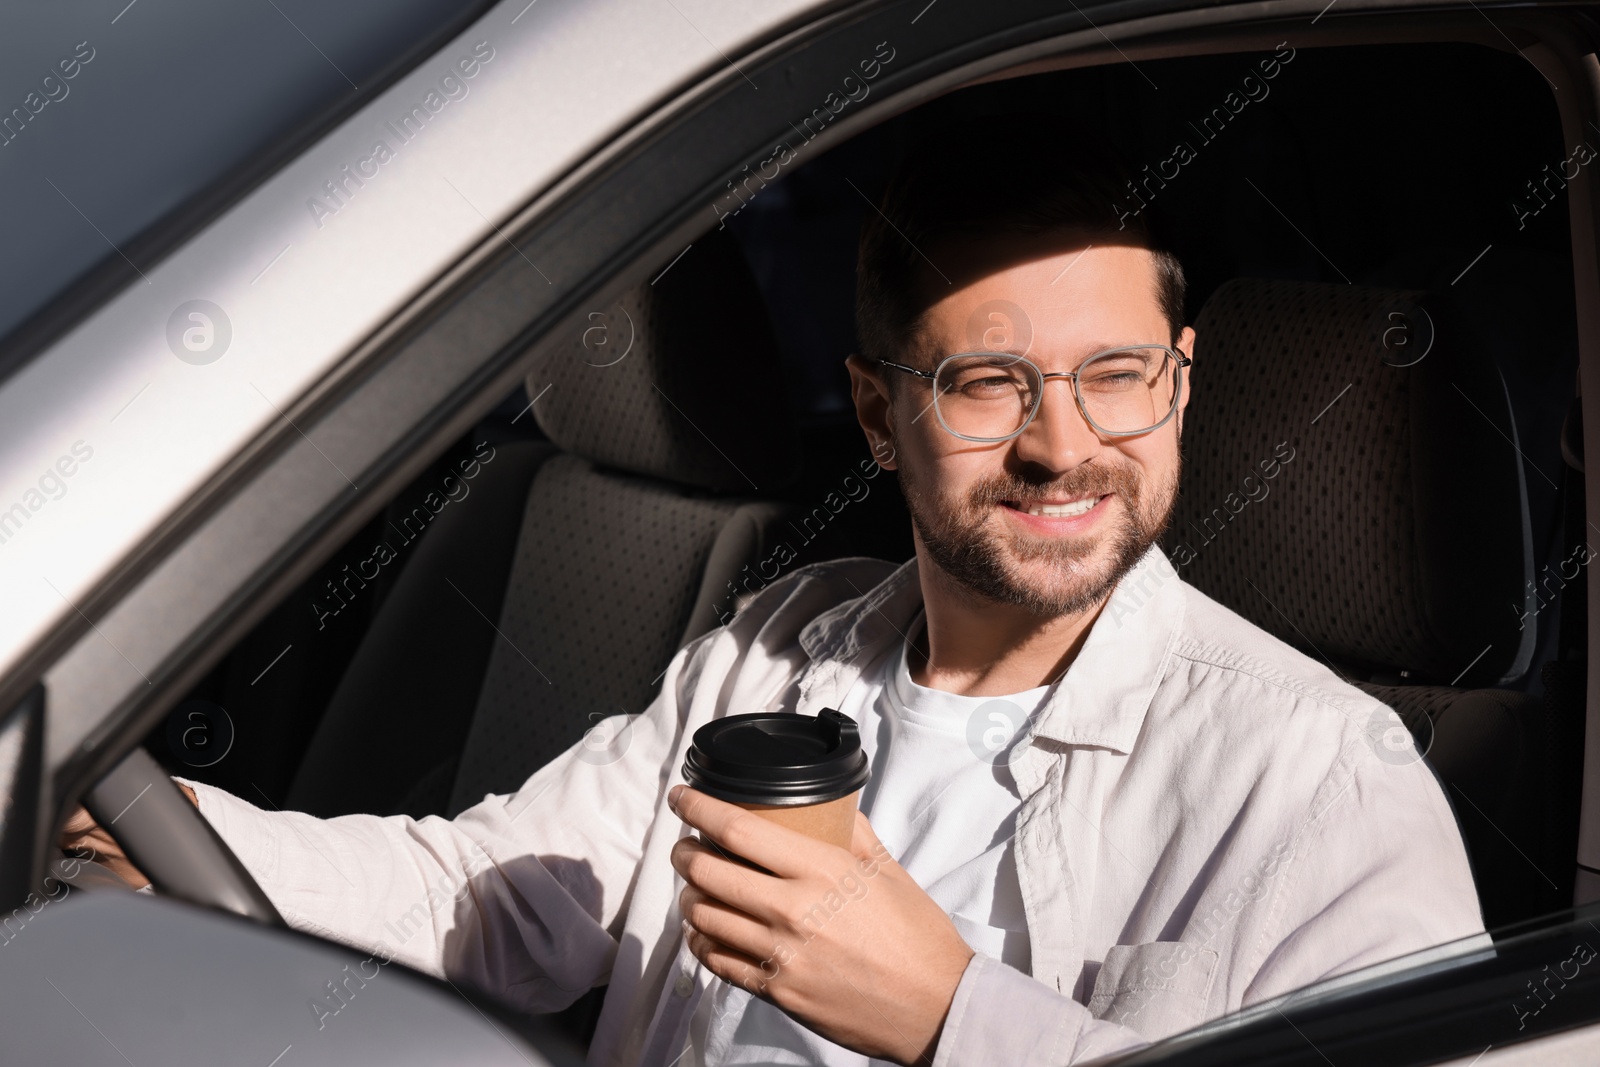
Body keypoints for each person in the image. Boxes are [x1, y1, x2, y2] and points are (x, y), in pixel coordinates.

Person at [62, 117, 1485, 1066]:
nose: (1064, 446)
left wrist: (949, 1016)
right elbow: (496, 903)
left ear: (1181, 378)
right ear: (877, 417)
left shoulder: (1320, 782)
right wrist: (183, 833)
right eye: (988, 383)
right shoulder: (781, 643)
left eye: (1116, 377)